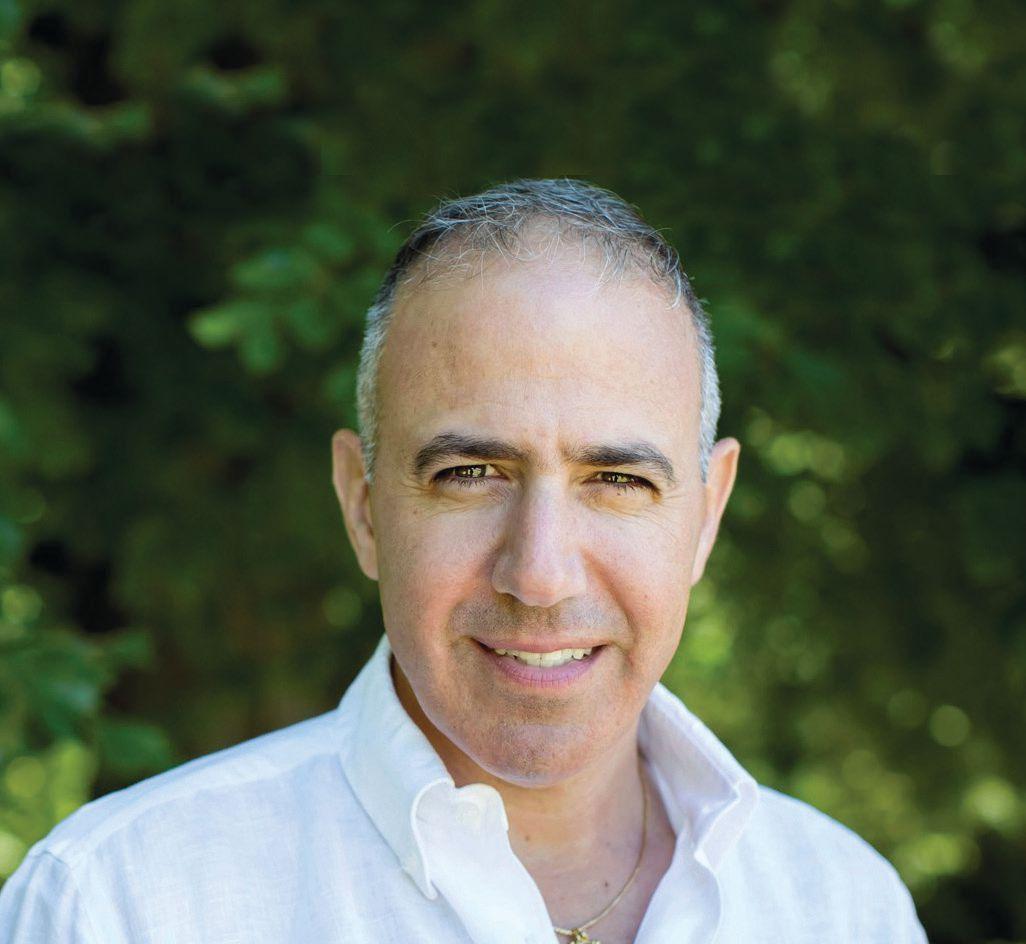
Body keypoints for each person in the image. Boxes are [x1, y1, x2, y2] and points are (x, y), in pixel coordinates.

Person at [0, 179, 928, 943]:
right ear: (363, 505)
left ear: (707, 514)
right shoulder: (120, 905)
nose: (541, 575)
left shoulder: (844, 908)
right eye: (470, 474)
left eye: (617, 479)